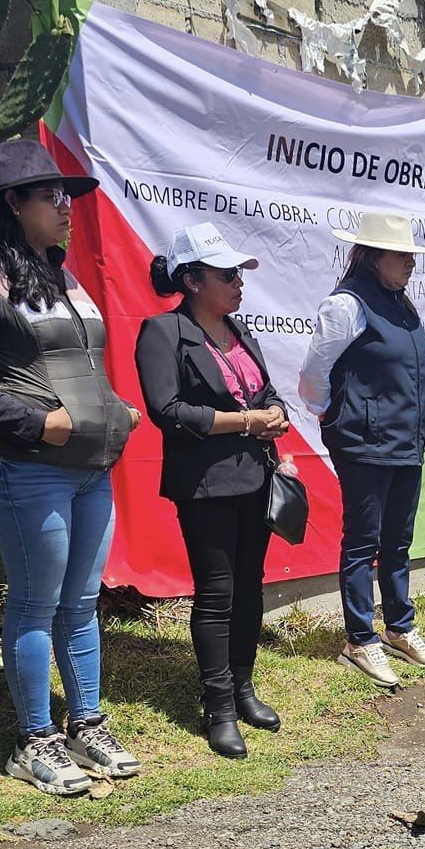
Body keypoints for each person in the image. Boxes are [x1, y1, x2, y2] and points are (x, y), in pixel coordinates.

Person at [0, 139, 143, 794]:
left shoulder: (60, 274)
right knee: (34, 602)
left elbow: (80, 362)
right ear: (11, 203)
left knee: (81, 603)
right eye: (50, 196)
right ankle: (34, 739)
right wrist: (36, 423)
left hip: (89, 467)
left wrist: (114, 409)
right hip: (25, 466)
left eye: (67, 196)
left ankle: (86, 723)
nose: (66, 206)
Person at [135, 223, 293, 758]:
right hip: (205, 485)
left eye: (240, 273)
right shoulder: (163, 332)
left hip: (256, 476)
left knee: (251, 586)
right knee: (217, 592)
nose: (238, 282)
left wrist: (274, 414)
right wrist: (247, 420)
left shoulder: (239, 330)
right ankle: (218, 706)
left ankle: (244, 688)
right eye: (227, 274)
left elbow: (267, 391)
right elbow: (168, 410)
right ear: (192, 279)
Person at [299, 211, 425, 689]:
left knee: (398, 539)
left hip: (405, 441)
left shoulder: (402, 304)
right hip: (364, 443)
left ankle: (399, 628)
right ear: (373, 256)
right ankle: (360, 639)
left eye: (412, 255)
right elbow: (314, 374)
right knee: (363, 541)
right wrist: (335, 417)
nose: (411, 264)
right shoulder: (346, 305)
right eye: (402, 255)